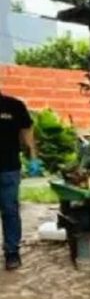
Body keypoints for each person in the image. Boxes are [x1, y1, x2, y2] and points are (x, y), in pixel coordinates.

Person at [0, 91, 42, 270]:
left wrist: (33, 157)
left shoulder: (14, 105)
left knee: (10, 210)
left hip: (9, 168)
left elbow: (27, 130)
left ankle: (12, 252)